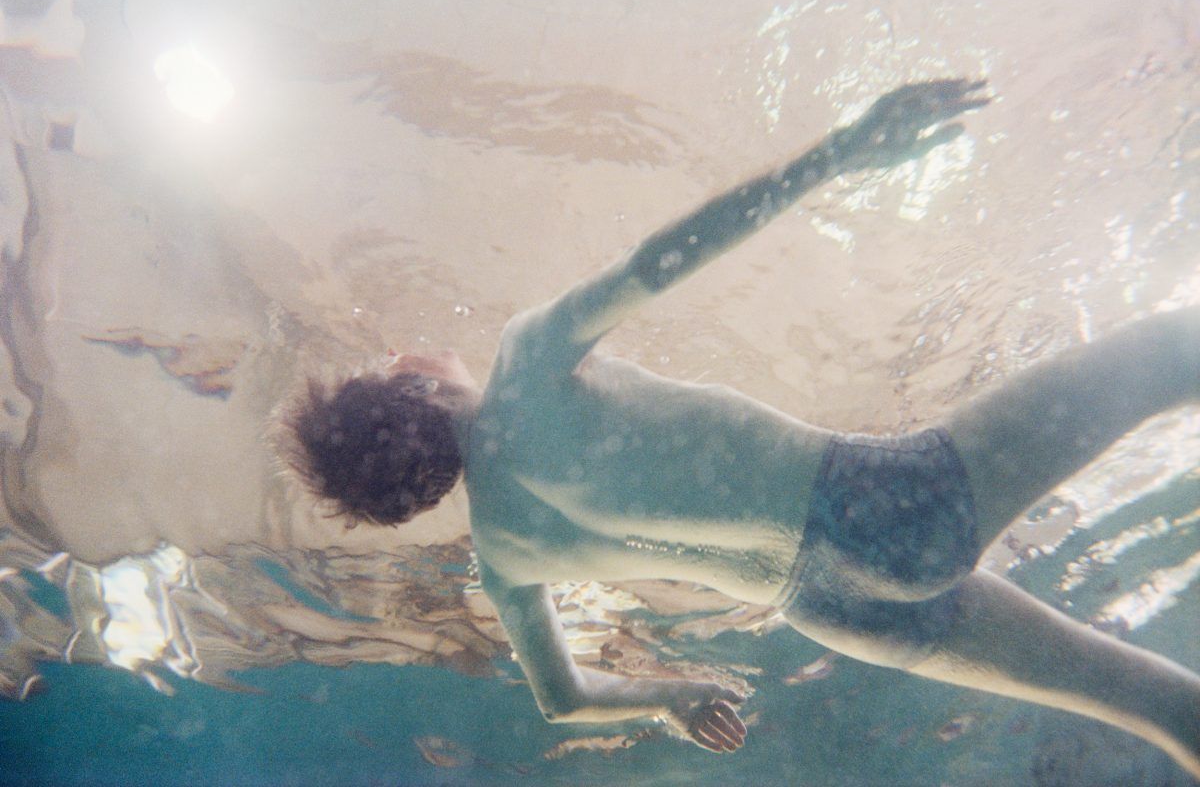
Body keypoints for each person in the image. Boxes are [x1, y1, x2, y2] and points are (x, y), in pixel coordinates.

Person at [279, 79, 1200, 777]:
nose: (405, 349)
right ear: (414, 389)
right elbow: (660, 260)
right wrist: (837, 153)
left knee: (1160, 707)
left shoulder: (502, 553)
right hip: (878, 503)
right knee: (1171, 349)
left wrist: (673, 696)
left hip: (832, 612)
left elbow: (562, 699)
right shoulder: (524, 362)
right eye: (393, 362)